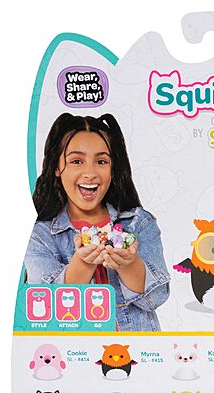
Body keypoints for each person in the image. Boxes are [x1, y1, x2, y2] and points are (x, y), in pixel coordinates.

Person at [25, 113, 170, 331]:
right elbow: (46, 307)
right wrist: (83, 263)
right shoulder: (38, 235)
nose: (90, 173)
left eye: (101, 161)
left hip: (137, 348)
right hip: (74, 350)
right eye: (76, 161)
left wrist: (129, 264)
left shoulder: (138, 223)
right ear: (56, 167)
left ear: (113, 168)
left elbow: (156, 297)